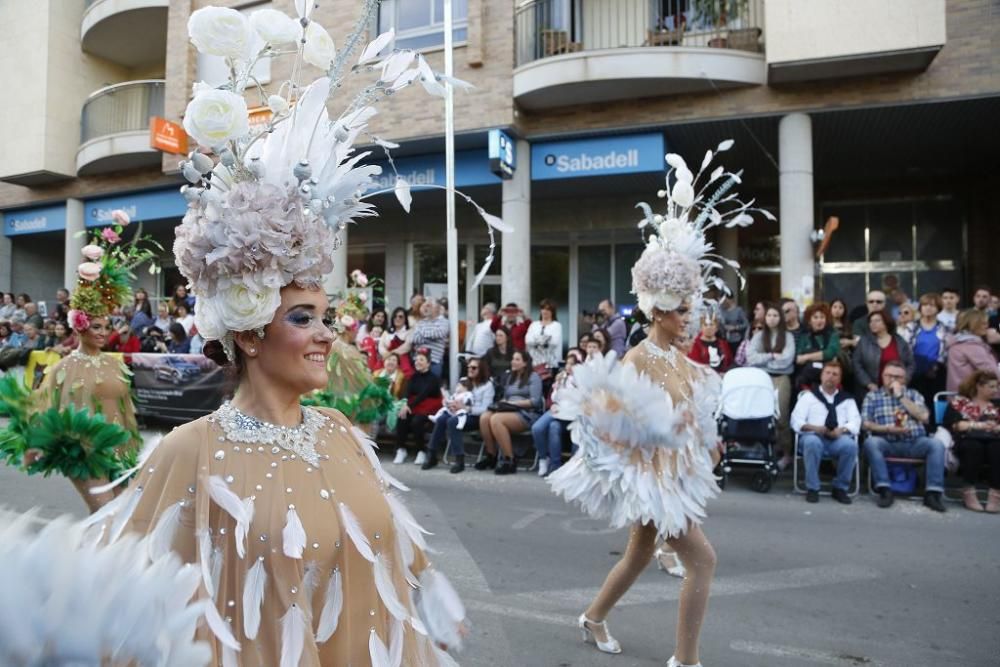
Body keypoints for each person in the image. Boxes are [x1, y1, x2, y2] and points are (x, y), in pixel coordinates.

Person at [86, 29, 472, 661]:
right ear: (248, 330)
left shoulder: (342, 432)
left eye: (327, 317)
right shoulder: (192, 451)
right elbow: (134, 605)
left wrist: (430, 602)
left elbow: (392, 554)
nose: (327, 334)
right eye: (303, 318)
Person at [549, 143, 753, 666]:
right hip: (653, 481)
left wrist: (698, 438)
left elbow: (695, 418)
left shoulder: (683, 361)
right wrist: (656, 430)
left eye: (692, 308)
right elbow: (609, 418)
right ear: (659, 309)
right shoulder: (639, 357)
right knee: (703, 561)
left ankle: (593, 617)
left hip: (674, 476)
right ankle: (685, 660)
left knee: (640, 555)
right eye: (682, 309)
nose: (690, 317)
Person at [862, 360, 947, 512]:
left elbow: (924, 417)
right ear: (882, 376)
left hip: (915, 442)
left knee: (936, 445)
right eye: (889, 376)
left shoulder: (914, 395)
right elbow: (866, 424)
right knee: (871, 443)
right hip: (887, 441)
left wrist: (901, 396)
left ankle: (933, 493)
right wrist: (889, 429)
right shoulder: (872, 396)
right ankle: (884, 490)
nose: (893, 380)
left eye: (898, 377)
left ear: (905, 379)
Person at [790, 360, 860, 504]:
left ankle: (840, 488)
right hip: (813, 435)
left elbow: (855, 422)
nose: (831, 377)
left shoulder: (847, 400)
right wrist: (815, 428)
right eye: (827, 373)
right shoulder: (808, 397)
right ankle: (813, 488)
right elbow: (796, 421)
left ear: (839, 379)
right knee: (812, 442)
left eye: (835, 374)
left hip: (837, 438)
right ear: (821, 376)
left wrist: (842, 430)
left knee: (850, 446)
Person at [422, 358, 495, 473]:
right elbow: (456, 396)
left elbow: (485, 408)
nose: (470, 370)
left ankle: (459, 459)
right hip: (458, 412)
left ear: (481, 370)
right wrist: (452, 404)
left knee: (453, 421)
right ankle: (432, 454)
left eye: (474, 368)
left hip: (475, 417)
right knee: (441, 419)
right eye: (468, 367)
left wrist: (466, 408)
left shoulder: (487, 385)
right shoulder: (464, 380)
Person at [476, 350, 543, 475]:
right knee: (485, 418)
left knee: (496, 419)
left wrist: (514, 404)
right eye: (513, 359)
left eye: (517, 359)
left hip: (527, 413)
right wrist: (501, 403)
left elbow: (535, 401)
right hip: (508, 409)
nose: (513, 361)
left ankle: (509, 460)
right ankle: (492, 456)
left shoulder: (534, 377)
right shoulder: (510, 377)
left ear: (525, 363)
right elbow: (506, 397)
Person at [746, 303, 796, 468]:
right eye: (769, 315)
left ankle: (787, 453)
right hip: (762, 378)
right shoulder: (759, 336)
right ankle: (767, 449)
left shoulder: (787, 337)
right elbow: (751, 357)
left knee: (781, 416)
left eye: (775, 315)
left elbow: (786, 360)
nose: (772, 319)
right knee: (763, 415)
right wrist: (772, 355)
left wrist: (766, 360)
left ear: (780, 318)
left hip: (782, 378)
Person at [943, 370, 1000, 512]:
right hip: (966, 438)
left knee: (997, 447)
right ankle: (968, 491)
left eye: (997, 386)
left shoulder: (997, 405)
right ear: (979, 386)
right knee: (973, 447)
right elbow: (954, 424)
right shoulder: (959, 403)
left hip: (993, 438)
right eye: (991, 386)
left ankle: (996, 493)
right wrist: (978, 425)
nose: (996, 390)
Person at [532, 348, 583, 477]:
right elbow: (555, 397)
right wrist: (554, 402)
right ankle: (548, 461)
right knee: (538, 428)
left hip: (575, 415)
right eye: (568, 363)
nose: (569, 367)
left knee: (574, 431)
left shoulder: (582, 380)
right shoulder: (562, 378)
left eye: (573, 364)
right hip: (559, 410)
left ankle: (573, 467)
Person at [901, 293, 947, 417]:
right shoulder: (911, 326)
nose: (928, 308)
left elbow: (945, 351)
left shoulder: (943, 328)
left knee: (935, 403)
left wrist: (937, 366)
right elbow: (905, 348)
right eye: (925, 305)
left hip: (936, 371)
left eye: (932, 305)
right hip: (915, 371)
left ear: (938, 308)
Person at [393, 350, 443, 465]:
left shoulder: (433, 378)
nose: (417, 362)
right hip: (414, 405)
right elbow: (407, 392)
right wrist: (405, 404)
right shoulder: (413, 377)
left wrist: (408, 406)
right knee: (402, 417)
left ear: (428, 363)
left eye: (421, 360)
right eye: (416, 359)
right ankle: (401, 449)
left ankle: (421, 451)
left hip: (429, 406)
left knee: (417, 421)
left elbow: (423, 394)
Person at [853, 311, 914, 399]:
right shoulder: (864, 342)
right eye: (871, 321)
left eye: (877, 321)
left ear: (886, 322)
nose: (873, 324)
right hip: (871, 391)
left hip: (896, 389)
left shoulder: (899, 341)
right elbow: (856, 363)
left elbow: (910, 363)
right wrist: (868, 383)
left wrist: (903, 380)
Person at [946, 309, 999, 393]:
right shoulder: (971, 345)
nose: (987, 326)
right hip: (974, 398)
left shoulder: (958, 341)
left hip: (959, 395)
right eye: (983, 323)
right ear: (974, 324)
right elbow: (991, 372)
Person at [794, 302, 841, 391]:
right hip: (807, 379)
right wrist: (821, 355)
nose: (819, 320)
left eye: (822, 317)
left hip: (829, 378)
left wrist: (807, 356)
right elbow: (798, 358)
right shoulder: (804, 336)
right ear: (809, 320)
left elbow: (831, 352)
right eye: (815, 317)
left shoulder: (832, 334)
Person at [525, 298, 563, 380]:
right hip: (534, 364)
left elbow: (554, 342)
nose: (545, 311)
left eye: (548, 309)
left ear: (552, 311)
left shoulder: (556, 325)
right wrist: (545, 339)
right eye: (543, 309)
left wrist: (535, 340)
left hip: (550, 365)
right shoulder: (534, 325)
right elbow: (528, 341)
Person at [410, 299, 449, 378]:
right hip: (418, 361)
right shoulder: (421, 322)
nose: (426, 308)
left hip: (434, 361)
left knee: (432, 388)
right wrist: (431, 338)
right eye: (425, 305)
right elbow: (414, 339)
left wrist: (422, 333)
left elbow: (438, 333)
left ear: (437, 308)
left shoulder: (444, 322)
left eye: (429, 305)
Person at [380, 306, 415, 378]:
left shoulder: (409, 332)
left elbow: (407, 346)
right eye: (395, 316)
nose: (397, 318)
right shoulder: (387, 331)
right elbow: (381, 346)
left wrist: (391, 353)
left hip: (402, 361)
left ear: (405, 319)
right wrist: (386, 355)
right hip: (386, 359)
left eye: (400, 317)